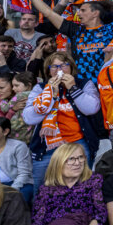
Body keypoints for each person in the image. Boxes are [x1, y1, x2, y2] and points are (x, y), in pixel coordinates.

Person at [24, 51, 102, 185]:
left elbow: (92, 109)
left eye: (64, 65)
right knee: (43, 188)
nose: (59, 70)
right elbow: (29, 118)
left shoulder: (84, 84)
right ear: (48, 72)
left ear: (71, 68)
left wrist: (72, 88)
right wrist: (51, 95)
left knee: (81, 186)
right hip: (47, 148)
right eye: (54, 66)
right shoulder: (40, 88)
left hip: (78, 143)